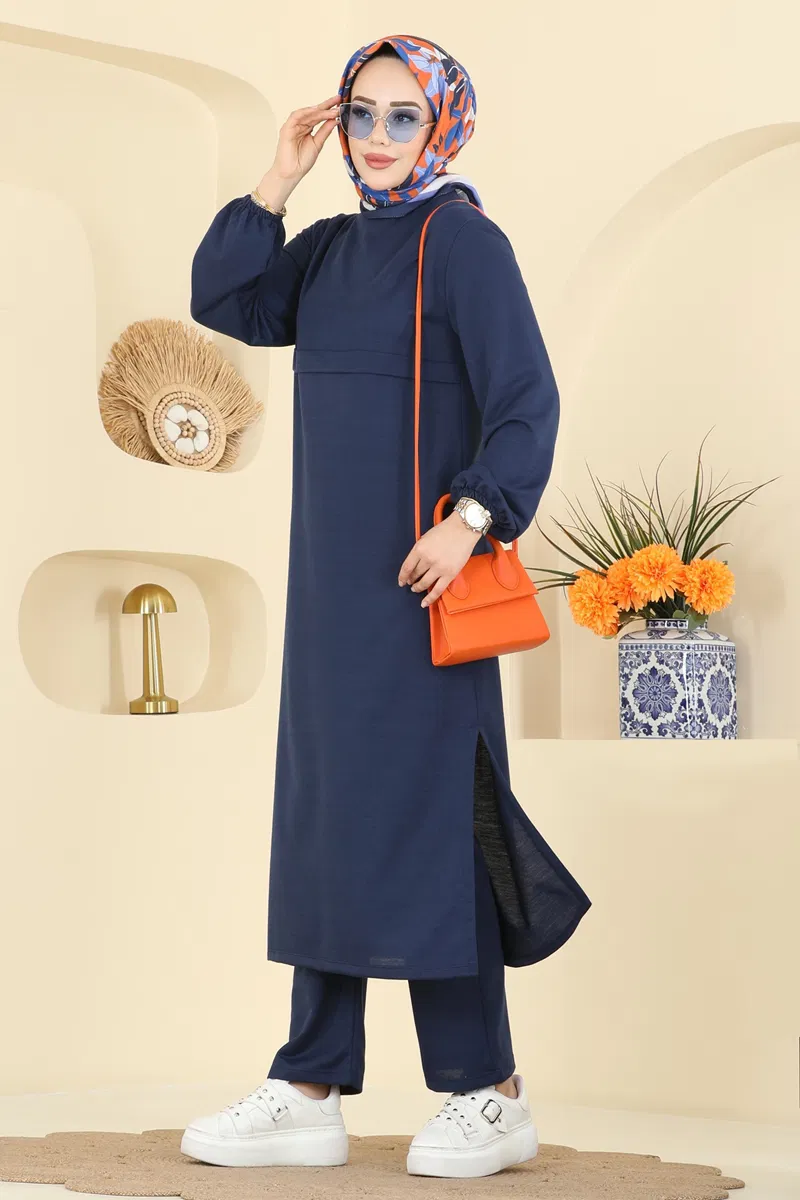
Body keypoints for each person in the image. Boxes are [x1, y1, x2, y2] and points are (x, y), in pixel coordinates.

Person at [181, 33, 591, 1180]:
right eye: (358, 112)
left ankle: (487, 1090)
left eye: (401, 115)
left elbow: (525, 400)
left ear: (442, 124)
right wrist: (277, 177)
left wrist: (469, 520)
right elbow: (226, 298)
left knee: (440, 828)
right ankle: (308, 1083)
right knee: (328, 820)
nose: (373, 136)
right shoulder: (322, 250)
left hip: (425, 595)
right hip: (330, 603)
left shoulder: (462, 243)